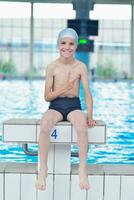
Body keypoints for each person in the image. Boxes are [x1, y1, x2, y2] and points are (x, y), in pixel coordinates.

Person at [35, 28, 96, 191]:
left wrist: (90, 115)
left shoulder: (81, 67)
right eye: (63, 43)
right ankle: (43, 169)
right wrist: (66, 87)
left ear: (76, 46)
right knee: (45, 125)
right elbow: (47, 96)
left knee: (82, 126)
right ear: (58, 45)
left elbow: (88, 94)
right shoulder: (52, 67)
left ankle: (82, 169)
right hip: (55, 105)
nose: (67, 47)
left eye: (71, 44)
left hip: (73, 105)